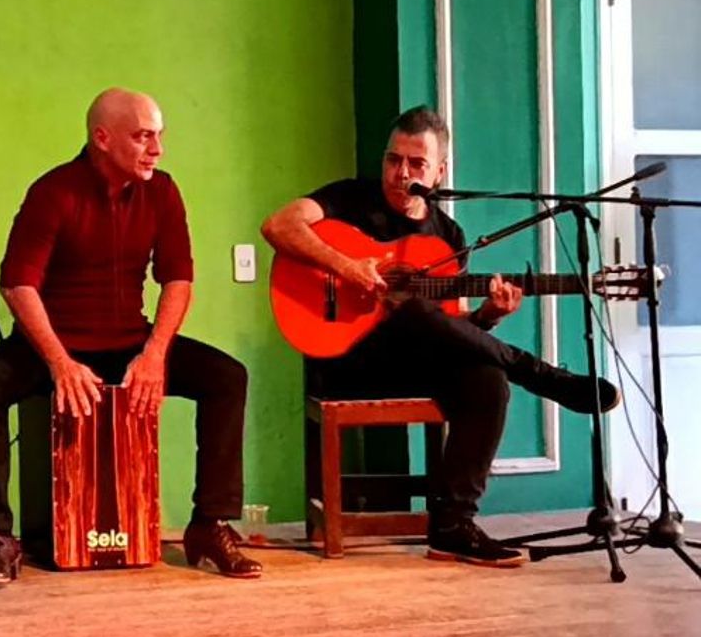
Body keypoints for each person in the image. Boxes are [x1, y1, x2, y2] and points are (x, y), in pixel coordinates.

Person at [261, 105, 620, 568]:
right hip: (349, 361)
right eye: (393, 160)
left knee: (486, 376)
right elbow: (278, 225)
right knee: (412, 311)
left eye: (416, 164)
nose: (400, 172)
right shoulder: (348, 198)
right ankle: (541, 374)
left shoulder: (448, 234)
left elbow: (456, 333)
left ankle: (452, 525)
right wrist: (348, 267)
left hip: (418, 362)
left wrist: (488, 316)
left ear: (440, 171)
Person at [0, 88, 260, 589]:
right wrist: (59, 363)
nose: (157, 149)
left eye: (159, 136)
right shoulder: (53, 192)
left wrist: (155, 354)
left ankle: (209, 525)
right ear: (102, 138)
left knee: (226, 377)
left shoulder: (163, 192)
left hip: (129, 343)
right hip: (54, 346)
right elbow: (18, 284)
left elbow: (178, 279)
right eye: (143, 136)